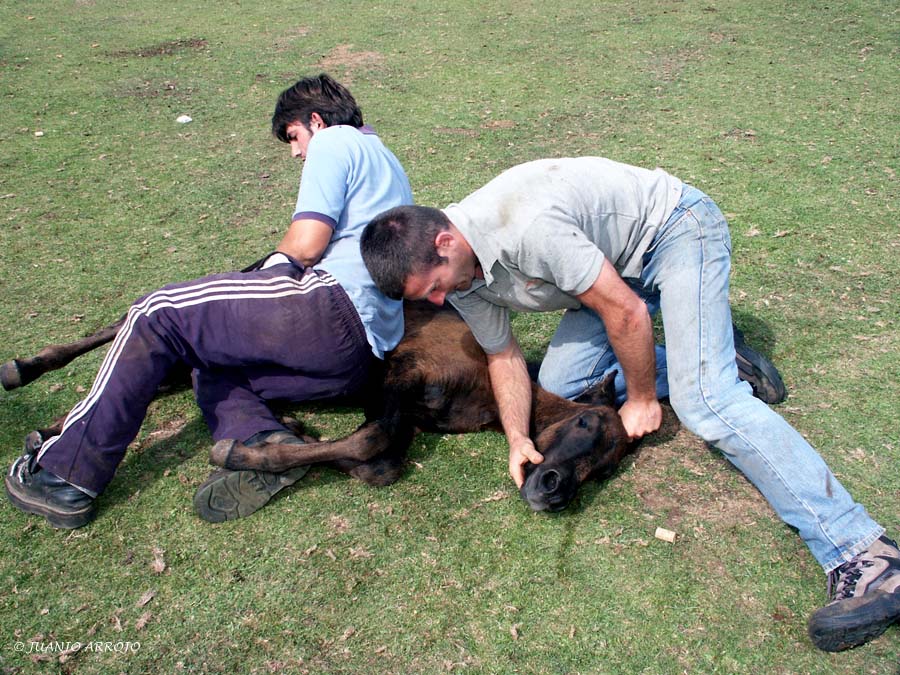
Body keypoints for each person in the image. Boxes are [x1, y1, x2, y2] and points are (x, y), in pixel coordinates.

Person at [359, 157, 900, 653]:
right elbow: (502, 355)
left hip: (674, 234)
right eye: (424, 299)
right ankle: (708, 351)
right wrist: (519, 436)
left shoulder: (525, 228)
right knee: (563, 381)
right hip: (612, 270)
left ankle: (863, 552)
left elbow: (627, 312)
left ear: (448, 242)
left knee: (705, 404)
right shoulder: (460, 275)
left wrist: (642, 398)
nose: (437, 302)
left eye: (432, 288)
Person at [5, 74, 413, 527]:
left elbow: (306, 244)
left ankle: (66, 474)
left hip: (328, 306)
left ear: (315, 120)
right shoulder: (387, 158)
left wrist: (266, 277)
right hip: (359, 357)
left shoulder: (335, 142)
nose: (297, 152)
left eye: (295, 137)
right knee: (211, 362)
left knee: (156, 313)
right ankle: (262, 441)